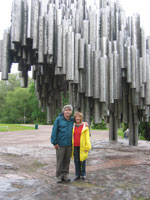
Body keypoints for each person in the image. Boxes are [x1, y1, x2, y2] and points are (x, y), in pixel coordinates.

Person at [51, 105, 74, 183]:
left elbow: (79, 120)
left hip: (69, 144)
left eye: (69, 110)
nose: (68, 111)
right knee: (60, 160)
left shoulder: (71, 120)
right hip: (60, 144)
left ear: (71, 112)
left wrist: (84, 123)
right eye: (66, 110)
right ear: (63, 111)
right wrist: (54, 142)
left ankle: (65, 175)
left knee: (67, 160)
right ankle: (59, 176)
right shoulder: (58, 119)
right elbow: (54, 131)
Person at [72, 111, 91, 181]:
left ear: (81, 118)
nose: (77, 118)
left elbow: (87, 137)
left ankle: (83, 174)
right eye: (76, 117)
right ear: (75, 118)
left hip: (82, 146)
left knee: (83, 160)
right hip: (75, 146)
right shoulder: (73, 125)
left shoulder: (84, 126)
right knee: (76, 161)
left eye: (79, 117)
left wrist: (88, 146)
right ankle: (77, 174)